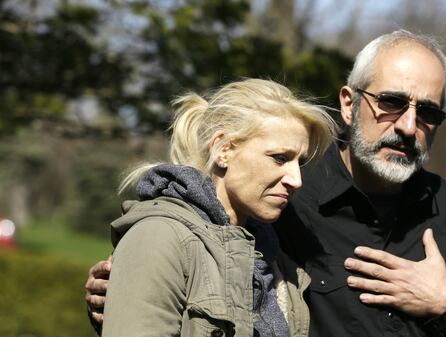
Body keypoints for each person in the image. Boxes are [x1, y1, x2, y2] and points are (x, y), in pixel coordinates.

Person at [86, 30, 446, 337]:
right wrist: (126, 287)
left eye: (428, 112)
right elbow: (198, 256)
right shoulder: (283, 198)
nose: (409, 125)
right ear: (349, 104)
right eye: (391, 102)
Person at [95, 78, 336, 337]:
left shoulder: (274, 259)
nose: (296, 180)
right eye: (280, 158)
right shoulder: (158, 238)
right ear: (223, 149)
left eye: (299, 162)